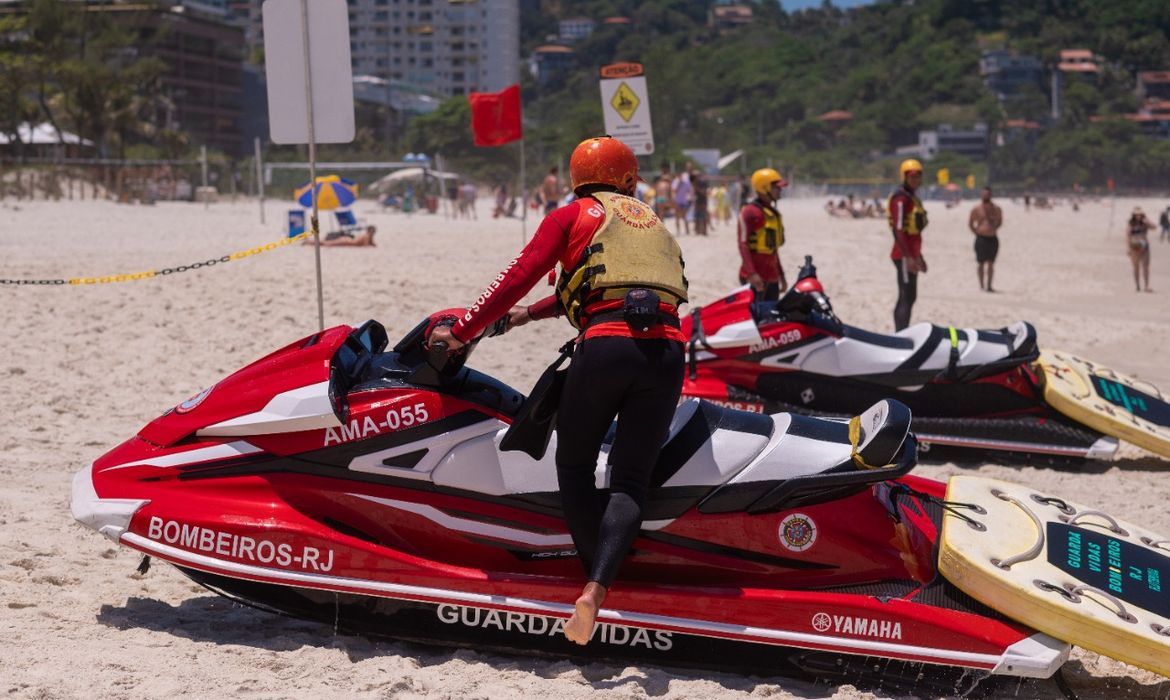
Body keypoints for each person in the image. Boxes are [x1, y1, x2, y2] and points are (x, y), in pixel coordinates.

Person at [427, 136, 688, 646]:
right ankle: (599, 587)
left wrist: (462, 330)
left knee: (573, 464)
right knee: (630, 480)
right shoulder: (652, 223)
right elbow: (613, 284)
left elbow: (517, 276)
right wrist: (528, 316)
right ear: (629, 179)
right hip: (667, 352)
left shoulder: (571, 215)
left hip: (606, 350)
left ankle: (590, 578)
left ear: (576, 178)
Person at [737, 167, 788, 301]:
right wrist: (752, 274)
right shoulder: (749, 212)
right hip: (754, 277)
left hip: (772, 276)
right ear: (764, 188)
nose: (780, 190)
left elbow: (772, 250)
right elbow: (743, 245)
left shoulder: (772, 213)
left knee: (771, 319)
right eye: (777, 187)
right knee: (756, 318)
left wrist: (781, 275)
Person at [888, 159, 928, 331]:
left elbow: (914, 232)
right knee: (905, 295)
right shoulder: (901, 199)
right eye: (912, 176)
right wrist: (909, 257)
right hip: (903, 255)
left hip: (912, 254)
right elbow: (898, 230)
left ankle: (903, 331)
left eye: (918, 176)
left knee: (911, 296)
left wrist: (919, 256)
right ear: (904, 176)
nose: (916, 179)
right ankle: (900, 334)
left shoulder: (913, 198)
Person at [968, 186, 1004, 292]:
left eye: (987, 194)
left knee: (991, 263)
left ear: (990, 195)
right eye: (984, 194)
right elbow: (970, 223)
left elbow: (1000, 221)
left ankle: (989, 286)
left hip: (993, 238)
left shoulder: (996, 209)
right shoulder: (976, 209)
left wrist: (993, 228)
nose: (985, 196)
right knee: (981, 263)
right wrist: (977, 231)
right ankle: (981, 286)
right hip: (981, 238)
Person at [1127, 207, 1154, 292]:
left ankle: (1146, 286)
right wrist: (1128, 248)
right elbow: (1127, 236)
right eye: (1137, 214)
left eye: (1140, 214)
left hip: (1145, 247)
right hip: (1134, 247)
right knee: (1136, 267)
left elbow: (1154, 227)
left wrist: (1147, 221)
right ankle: (1137, 285)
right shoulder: (1131, 224)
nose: (1138, 216)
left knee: (1145, 267)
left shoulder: (1145, 223)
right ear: (1134, 215)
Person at [304, 224, 376, 247]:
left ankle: (309, 241)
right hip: (347, 241)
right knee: (326, 243)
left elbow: (371, 244)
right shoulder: (367, 236)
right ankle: (309, 242)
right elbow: (365, 246)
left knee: (326, 242)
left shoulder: (368, 236)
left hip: (347, 240)